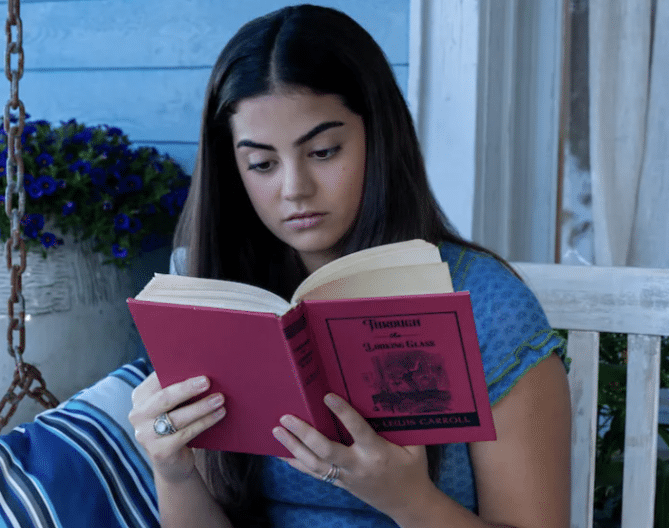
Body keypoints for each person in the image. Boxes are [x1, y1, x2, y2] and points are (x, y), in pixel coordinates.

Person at [128, 5, 571, 527]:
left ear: (378, 138)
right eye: (262, 164)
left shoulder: (489, 307)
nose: (294, 189)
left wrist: (408, 498)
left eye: (323, 151)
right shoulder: (228, 302)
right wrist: (173, 470)